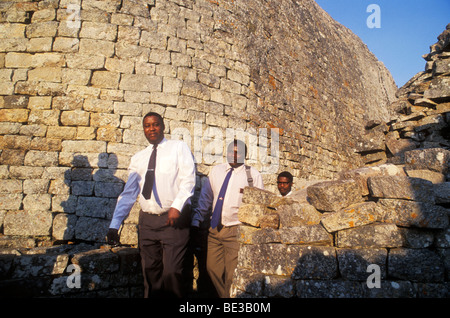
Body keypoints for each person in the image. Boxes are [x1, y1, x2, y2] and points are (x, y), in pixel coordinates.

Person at [106, 112, 196, 298]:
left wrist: (177, 206)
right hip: (147, 223)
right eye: (147, 125)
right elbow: (129, 193)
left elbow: (188, 180)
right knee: (150, 273)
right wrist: (114, 225)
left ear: (163, 127)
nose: (151, 128)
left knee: (172, 273)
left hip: (173, 221)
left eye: (155, 124)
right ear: (143, 130)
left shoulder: (178, 148)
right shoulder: (139, 158)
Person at [192, 140, 264, 298]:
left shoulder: (252, 175)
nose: (233, 154)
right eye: (231, 151)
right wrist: (196, 220)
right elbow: (206, 198)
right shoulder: (216, 171)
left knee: (232, 275)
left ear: (245, 155)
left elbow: (259, 204)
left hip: (235, 230)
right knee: (212, 269)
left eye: (238, 152)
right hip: (214, 230)